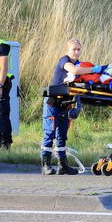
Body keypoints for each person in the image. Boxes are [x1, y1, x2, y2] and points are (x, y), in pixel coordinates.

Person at [43, 39, 85, 174]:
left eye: (79, 49)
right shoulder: (64, 61)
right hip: (53, 103)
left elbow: (79, 89)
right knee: (49, 133)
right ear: (68, 50)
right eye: (74, 49)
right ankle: (45, 165)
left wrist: (78, 106)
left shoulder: (79, 65)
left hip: (66, 104)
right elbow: (74, 70)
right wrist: (93, 69)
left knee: (62, 135)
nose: (77, 52)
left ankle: (63, 165)